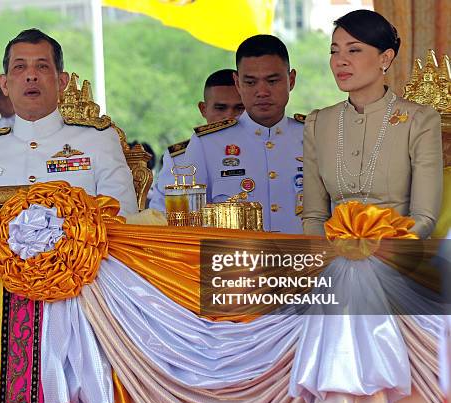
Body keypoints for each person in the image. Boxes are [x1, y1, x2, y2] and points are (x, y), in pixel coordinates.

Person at [0, 29, 137, 216]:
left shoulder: (99, 140)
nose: (31, 76)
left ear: (62, 82)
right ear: (5, 85)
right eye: (20, 67)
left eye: (42, 66)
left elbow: (123, 218)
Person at [302, 9, 442, 238]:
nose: (340, 61)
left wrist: (377, 255)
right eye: (334, 51)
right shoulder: (319, 123)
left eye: (354, 50)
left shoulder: (419, 120)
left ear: (385, 58)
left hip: (398, 260)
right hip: (333, 260)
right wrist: (330, 258)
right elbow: (314, 216)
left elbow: (424, 218)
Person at [156, 35, 304, 234]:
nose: (262, 91)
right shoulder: (207, 144)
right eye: (250, 82)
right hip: (234, 263)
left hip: (310, 262)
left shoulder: (315, 135)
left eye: (272, 80)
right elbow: (188, 228)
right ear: (237, 83)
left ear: (291, 80)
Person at [149, 69, 245, 211]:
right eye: (220, 108)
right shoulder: (180, 157)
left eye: (240, 108)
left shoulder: (263, 147)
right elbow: (162, 214)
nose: (230, 116)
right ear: (203, 109)